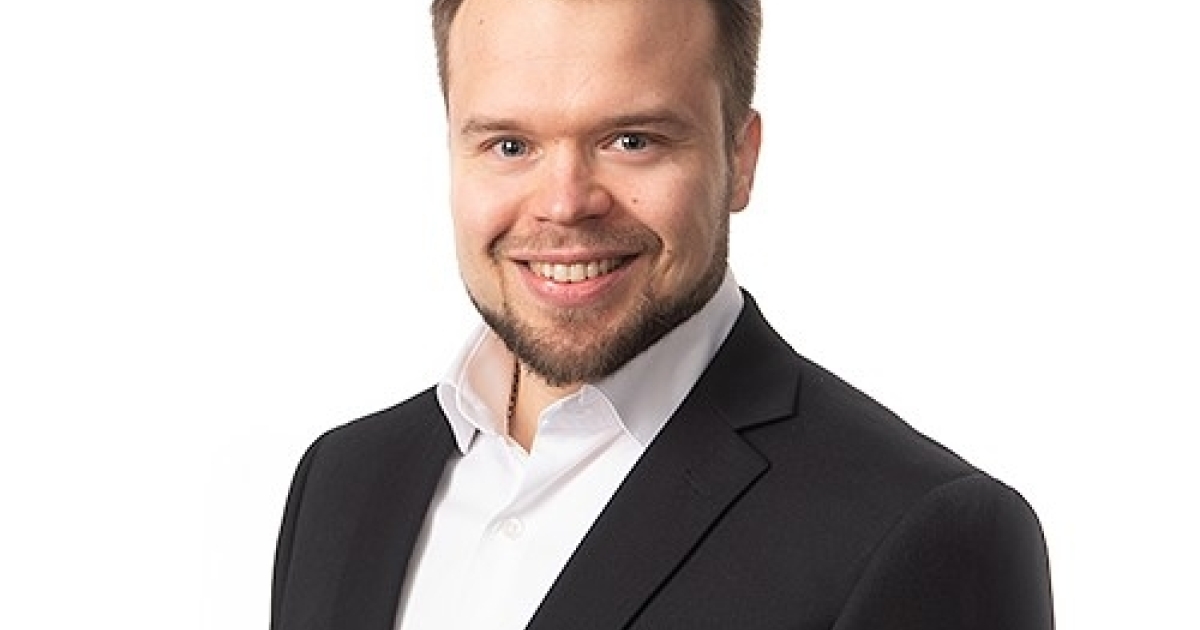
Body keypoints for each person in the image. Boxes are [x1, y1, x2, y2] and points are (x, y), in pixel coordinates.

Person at [270, 0, 1055, 627]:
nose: (564, 203)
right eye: (509, 146)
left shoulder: (924, 533)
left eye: (632, 140)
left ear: (739, 158)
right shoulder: (342, 482)